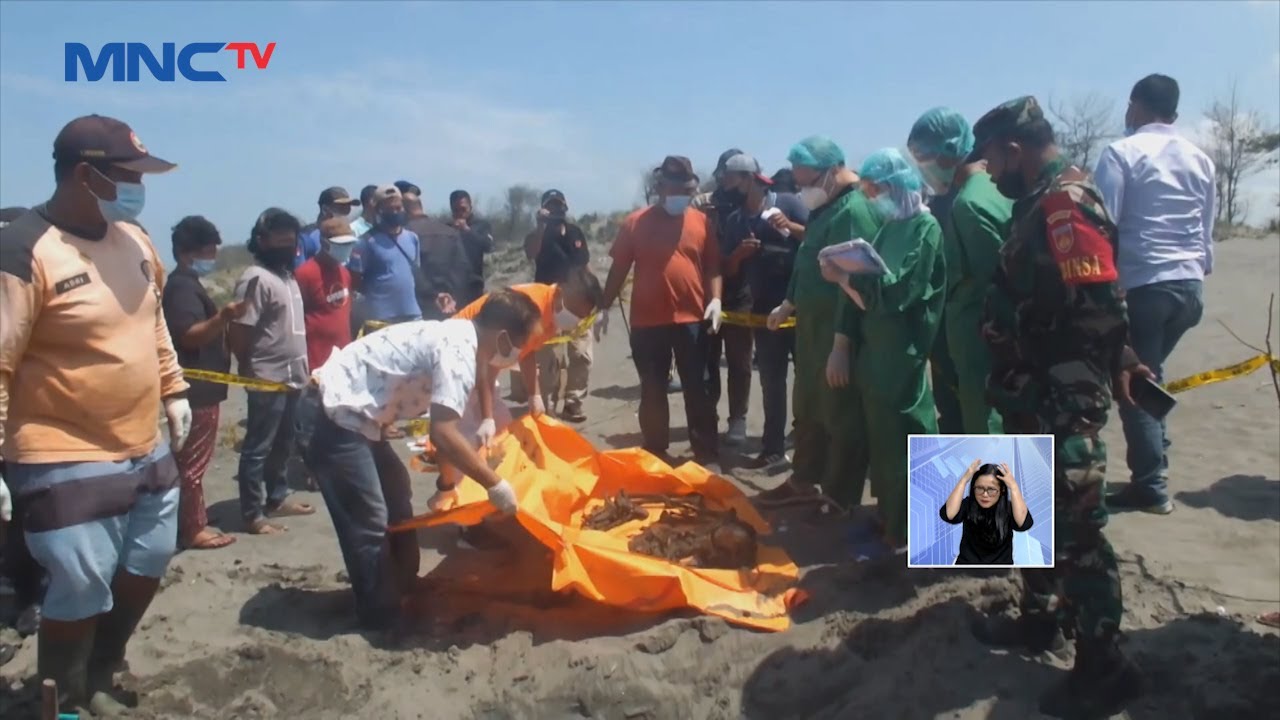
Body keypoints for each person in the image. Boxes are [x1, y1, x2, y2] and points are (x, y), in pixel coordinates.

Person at [970, 95, 1153, 718]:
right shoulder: (1037, 201)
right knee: (1027, 508)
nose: (988, 171)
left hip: (1061, 393)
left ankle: (1105, 665)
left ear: (1015, 150)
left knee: (1075, 525)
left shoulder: (1065, 203)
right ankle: (1039, 617)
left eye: (991, 158)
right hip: (1030, 387)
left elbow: (1100, 301)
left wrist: (1109, 365)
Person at [0, 114, 188, 714]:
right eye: (128, 176)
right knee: (79, 584)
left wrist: (174, 387)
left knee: (149, 559)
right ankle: (68, 699)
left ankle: (104, 664)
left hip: (144, 443)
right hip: (61, 449)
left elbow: (151, 318)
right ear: (85, 175)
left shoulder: (134, 239)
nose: (140, 189)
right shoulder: (24, 249)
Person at [299, 288, 538, 629]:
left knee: (397, 489)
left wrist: (485, 421)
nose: (519, 353)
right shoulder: (457, 350)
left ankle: (404, 584)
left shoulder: (466, 339)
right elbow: (443, 434)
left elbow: (472, 389)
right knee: (369, 517)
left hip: (361, 416)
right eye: (520, 344)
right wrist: (494, 483)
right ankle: (380, 614)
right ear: (502, 337)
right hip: (332, 413)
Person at [1094, 74, 1214, 516]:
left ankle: (1150, 484)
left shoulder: (1121, 153)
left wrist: (1106, 287)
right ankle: (1156, 457)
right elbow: (1206, 228)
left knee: (1134, 383)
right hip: (1190, 286)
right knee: (1152, 373)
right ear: (1175, 115)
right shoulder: (1200, 158)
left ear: (1134, 107)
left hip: (1145, 282)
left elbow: (1103, 222)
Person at [826, 148, 945, 557]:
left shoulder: (925, 229)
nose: (873, 197)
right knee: (882, 439)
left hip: (902, 350)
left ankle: (908, 527)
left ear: (899, 185)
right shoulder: (889, 228)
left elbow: (898, 293)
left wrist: (844, 278)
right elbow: (867, 279)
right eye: (869, 190)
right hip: (875, 352)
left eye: (877, 189)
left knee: (904, 435)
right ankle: (889, 515)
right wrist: (842, 342)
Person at [761, 136, 880, 509]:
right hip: (811, 331)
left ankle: (839, 496)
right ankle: (803, 480)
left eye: (808, 181)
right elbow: (806, 263)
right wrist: (789, 302)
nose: (802, 190)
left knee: (839, 414)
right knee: (809, 409)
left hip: (835, 331)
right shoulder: (822, 211)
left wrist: (842, 344)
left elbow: (854, 283)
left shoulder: (854, 211)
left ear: (832, 171)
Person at [432, 268, 606, 510]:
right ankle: (463, 509)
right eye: (576, 312)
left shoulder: (551, 313)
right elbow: (488, 360)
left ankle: (492, 501)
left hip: (479, 364)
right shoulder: (530, 306)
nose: (576, 320)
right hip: (461, 363)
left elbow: (527, 351)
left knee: (505, 433)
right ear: (561, 295)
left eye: (582, 316)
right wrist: (486, 416)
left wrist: (534, 395)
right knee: (472, 442)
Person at [602, 156, 723, 468]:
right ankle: (656, 450)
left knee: (698, 387)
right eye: (674, 189)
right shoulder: (635, 222)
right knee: (653, 389)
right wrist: (603, 306)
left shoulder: (701, 221)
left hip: (692, 319)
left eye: (686, 189)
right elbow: (618, 268)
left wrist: (716, 300)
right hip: (647, 321)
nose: (680, 195)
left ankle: (706, 451)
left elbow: (712, 266)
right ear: (659, 188)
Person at [908, 107, 1010, 435]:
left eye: (924, 158)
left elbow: (992, 283)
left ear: (951, 150)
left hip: (981, 347)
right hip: (972, 345)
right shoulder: (993, 189)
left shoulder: (969, 204)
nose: (923, 168)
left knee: (989, 439)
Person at [229, 208, 316, 535]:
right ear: (261, 240)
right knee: (257, 448)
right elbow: (240, 330)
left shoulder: (288, 277)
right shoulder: (255, 278)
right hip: (266, 378)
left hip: (294, 376)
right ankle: (252, 514)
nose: (286, 245)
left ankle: (276, 498)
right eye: (278, 240)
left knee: (284, 444)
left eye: (290, 241)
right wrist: (249, 366)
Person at [719, 154, 809, 466]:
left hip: (802, 308)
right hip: (764, 313)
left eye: (731, 180)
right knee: (772, 383)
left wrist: (792, 226)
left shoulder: (789, 203)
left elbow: (819, 240)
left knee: (809, 380)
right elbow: (728, 270)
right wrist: (740, 255)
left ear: (749, 180)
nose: (726, 187)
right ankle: (772, 450)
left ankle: (810, 447)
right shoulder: (734, 221)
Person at [163, 215, 243, 551]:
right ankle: (192, 527)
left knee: (190, 461)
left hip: (202, 389)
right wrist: (223, 317)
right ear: (187, 252)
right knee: (192, 464)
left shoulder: (188, 284)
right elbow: (190, 337)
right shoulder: (182, 287)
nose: (212, 259)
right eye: (208, 253)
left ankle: (188, 523)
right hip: (196, 391)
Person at [694, 149, 752, 442]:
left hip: (743, 293)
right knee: (708, 360)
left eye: (737, 175)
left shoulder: (752, 203)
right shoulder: (704, 203)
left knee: (740, 362)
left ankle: (738, 419)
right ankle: (709, 416)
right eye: (727, 173)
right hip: (707, 292)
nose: (731, 180)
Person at [524, 189, 593, 422]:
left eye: (558, 206)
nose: (555, 210)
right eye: (550, 207)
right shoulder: (537, 236)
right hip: (547, 303)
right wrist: (541, 226)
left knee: (581, 354)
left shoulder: (575, 232)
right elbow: (531, 252)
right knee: (549, 358)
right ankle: (548, 406)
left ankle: (573, 403)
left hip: (576, 300)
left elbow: (584, 265)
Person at [348, 185, 424, 326]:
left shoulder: (412, 238)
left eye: (398, 208)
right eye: (390, 209)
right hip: (381, 318)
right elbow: (354, 280)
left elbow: (414, 273)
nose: (395, 212)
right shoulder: (366, 242)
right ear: (378, 211)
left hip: (413, 315)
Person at [940, 460, 1032, 565]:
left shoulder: (1009, 508)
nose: (985, 494)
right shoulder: (968, 504)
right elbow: (949, 514)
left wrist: (1014, 487)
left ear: (1002, 490)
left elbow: (1023, 523)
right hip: (967, 568)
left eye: (991, 490)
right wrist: (963, 480)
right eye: (979, 488)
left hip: (1001, 571)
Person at [295, 217, 357, 371]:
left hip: (343, 358)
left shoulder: (344, 272)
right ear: (324, 243)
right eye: (341, 245)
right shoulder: (305, 274)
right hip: (316, 362)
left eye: (349, 244)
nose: (346, 249)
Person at [403, 191, 463, 321]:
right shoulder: (450, 232)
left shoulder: (404, 236)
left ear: (403, 210)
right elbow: (461, 270)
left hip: (419, 307)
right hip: (449, 305)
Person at [296, 186, 360, 270]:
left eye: (348, 208)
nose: (345, 213)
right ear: (325, 209)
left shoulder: (349, 234)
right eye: (341, 208)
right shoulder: (307, 236)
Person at [450, 190, 496, 307]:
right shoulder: (447, 229)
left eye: (463, 209)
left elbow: (488, 246)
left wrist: (467, 230)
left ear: (470, 207)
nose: (460, 213)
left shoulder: (482, 225)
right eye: (456, 210)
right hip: (452, 284)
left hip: (474, 283)